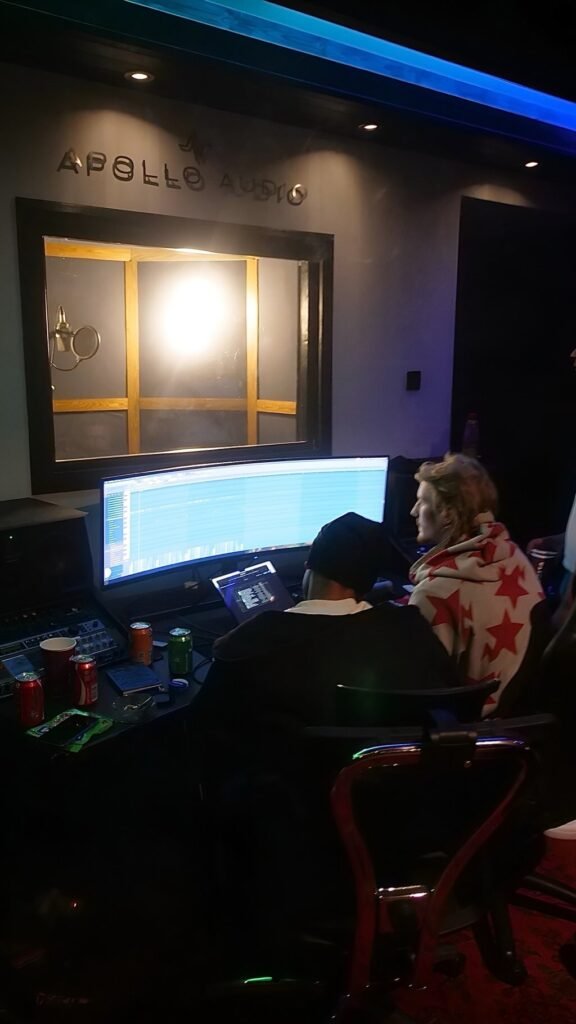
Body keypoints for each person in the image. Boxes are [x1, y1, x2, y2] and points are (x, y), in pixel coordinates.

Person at [192, 511, 457, 740]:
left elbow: (206, 725)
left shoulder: (252, 641)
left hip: (293, 779)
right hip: (389, 777)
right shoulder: (411, 629)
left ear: (309, 566)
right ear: (369, 582)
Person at [408, 454, 545, 712]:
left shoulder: (432, 594)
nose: (413, 511)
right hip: (518, 714)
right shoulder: (515, 557)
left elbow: (423, 687)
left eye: (422, 501)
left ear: (447, 513)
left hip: (467, 725)